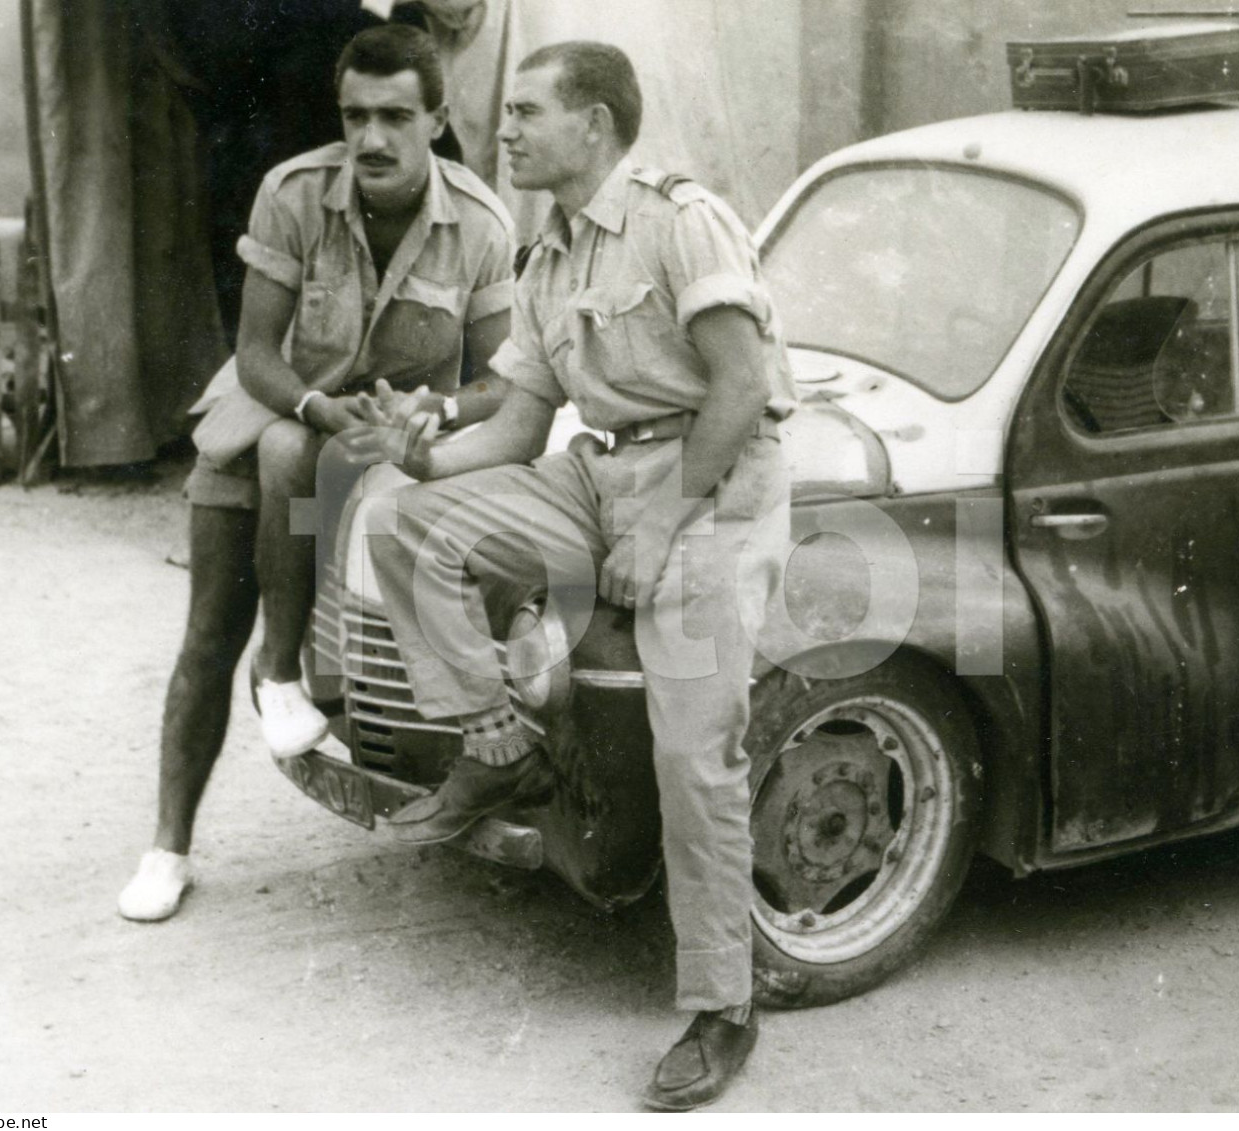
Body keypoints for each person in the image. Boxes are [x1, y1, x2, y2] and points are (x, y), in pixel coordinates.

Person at [355, 41, 795, 1111]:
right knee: (410, 525)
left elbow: (739, 386)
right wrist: (418, 458)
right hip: (598, 476)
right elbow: (512, 427)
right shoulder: (544, 255)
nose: (500, 132)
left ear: (593, 123)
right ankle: (494, 742)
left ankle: (720, 1006)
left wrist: (664, 525)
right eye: (504, 115)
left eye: (523, 112)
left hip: (713, 483)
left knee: (696, 757)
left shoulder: (676, 216)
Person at [117, 22, 516, 922]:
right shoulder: (292, 194)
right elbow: (256, 353)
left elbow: (503, 380)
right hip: (278, 419)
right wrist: (309, 405)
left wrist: (437, 410)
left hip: (380, 456)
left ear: (438, 119)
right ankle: (170, 842)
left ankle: (413, 771)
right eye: (355, 116)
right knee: (209, 631)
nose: (372, 139)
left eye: (396, 117)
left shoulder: (484, 223)